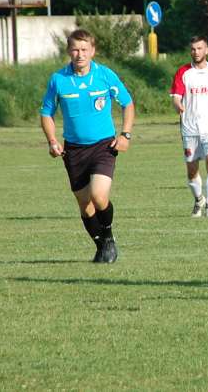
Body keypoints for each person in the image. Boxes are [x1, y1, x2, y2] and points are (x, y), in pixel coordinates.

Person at [40, 29, 135, 263]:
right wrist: (52, 141)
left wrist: (125, 135)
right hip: (73, 149)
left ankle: (109, 238)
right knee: (85, 204)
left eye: (84, 49)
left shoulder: (104, 75)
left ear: (93, 51)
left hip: (104, 146)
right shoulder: (59, 80)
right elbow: (46, 113)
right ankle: (101, 245)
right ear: (68, 51)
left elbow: (127, 103)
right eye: (75, 49)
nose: (79, 54)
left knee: (98, 196)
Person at [170, 36, 208, 218]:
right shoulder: (183, 72)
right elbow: (176, 96)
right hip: (189, 129)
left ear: (207, 50)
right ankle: (199, 200)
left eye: (199, 48)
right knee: (192, 170)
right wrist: (177, 104)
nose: (196, 52)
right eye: (193, 49)